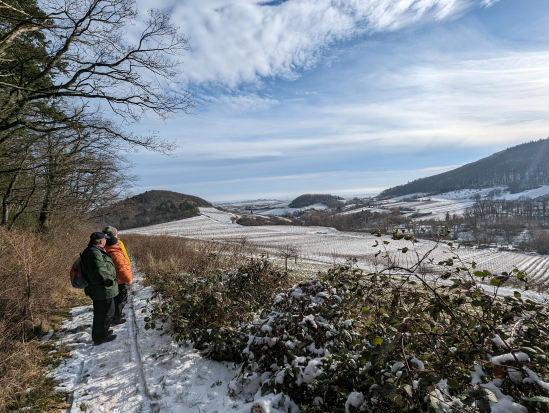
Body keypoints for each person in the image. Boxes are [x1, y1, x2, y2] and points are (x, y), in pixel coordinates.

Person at [81, 232, 119, 345]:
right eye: (105, 239)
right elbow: (100, 270)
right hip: (101, 288)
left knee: (101, 312)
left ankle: (101, 332)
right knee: (106, 311)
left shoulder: (92, 251)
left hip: (99, 288)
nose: (106, 241)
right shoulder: (94, 253)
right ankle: (101, 336)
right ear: (101, 241)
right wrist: (110, 280)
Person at [105, 235, 133, 324]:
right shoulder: (116, 254)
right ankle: (116, 318)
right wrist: (128, 279)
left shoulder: (107, 251)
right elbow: (122, 268)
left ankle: (116, 315)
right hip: (120, 281)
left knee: (116, 299)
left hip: (114, 281)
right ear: (114, 244)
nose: (119, 244)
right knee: (121, 299)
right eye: (117, 243)